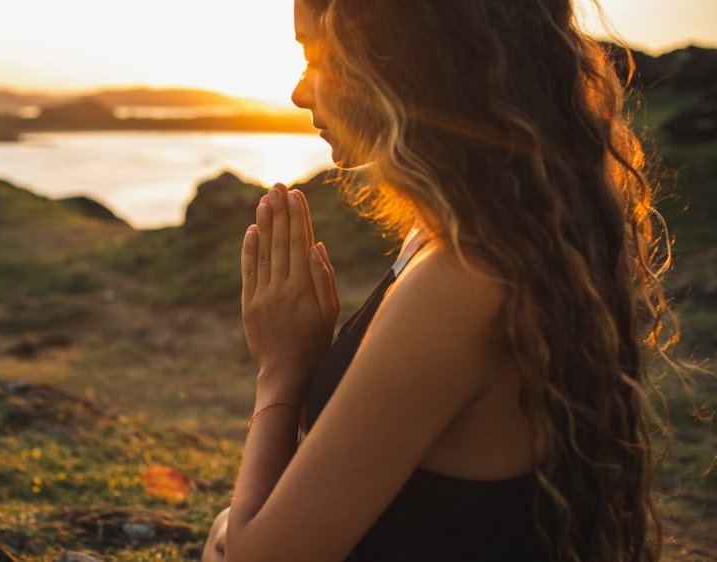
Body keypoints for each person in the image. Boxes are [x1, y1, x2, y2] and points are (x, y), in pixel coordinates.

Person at [201, 0, 686, 561]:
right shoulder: (465, 234)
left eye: (317, 55)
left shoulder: (464, 279)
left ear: (400, 58)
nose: (300, 91)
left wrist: (280, 370)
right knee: (222, 528)